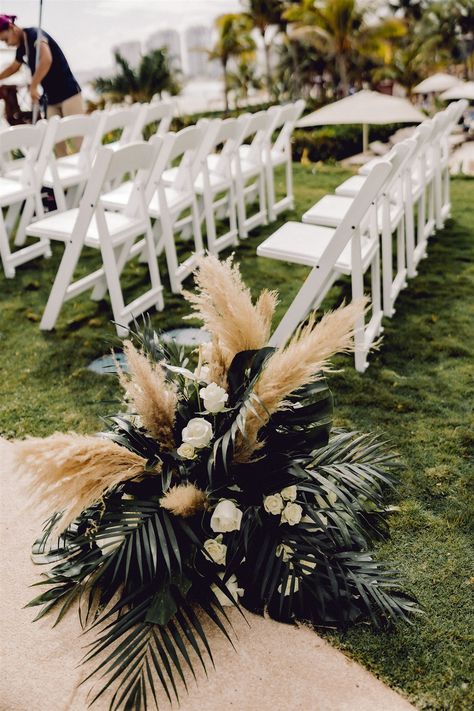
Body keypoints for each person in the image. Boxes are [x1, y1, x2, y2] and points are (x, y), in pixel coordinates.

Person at [0, 14, 84, 125]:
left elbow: (46, 59)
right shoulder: (22, 48)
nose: (8, 44)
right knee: (53, 139)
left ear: (11, 27)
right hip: (51, 99)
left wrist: (34, 86)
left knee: (78, 136)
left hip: (69, 94)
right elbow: (13, 68)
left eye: (6, 39)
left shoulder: (34, 34)